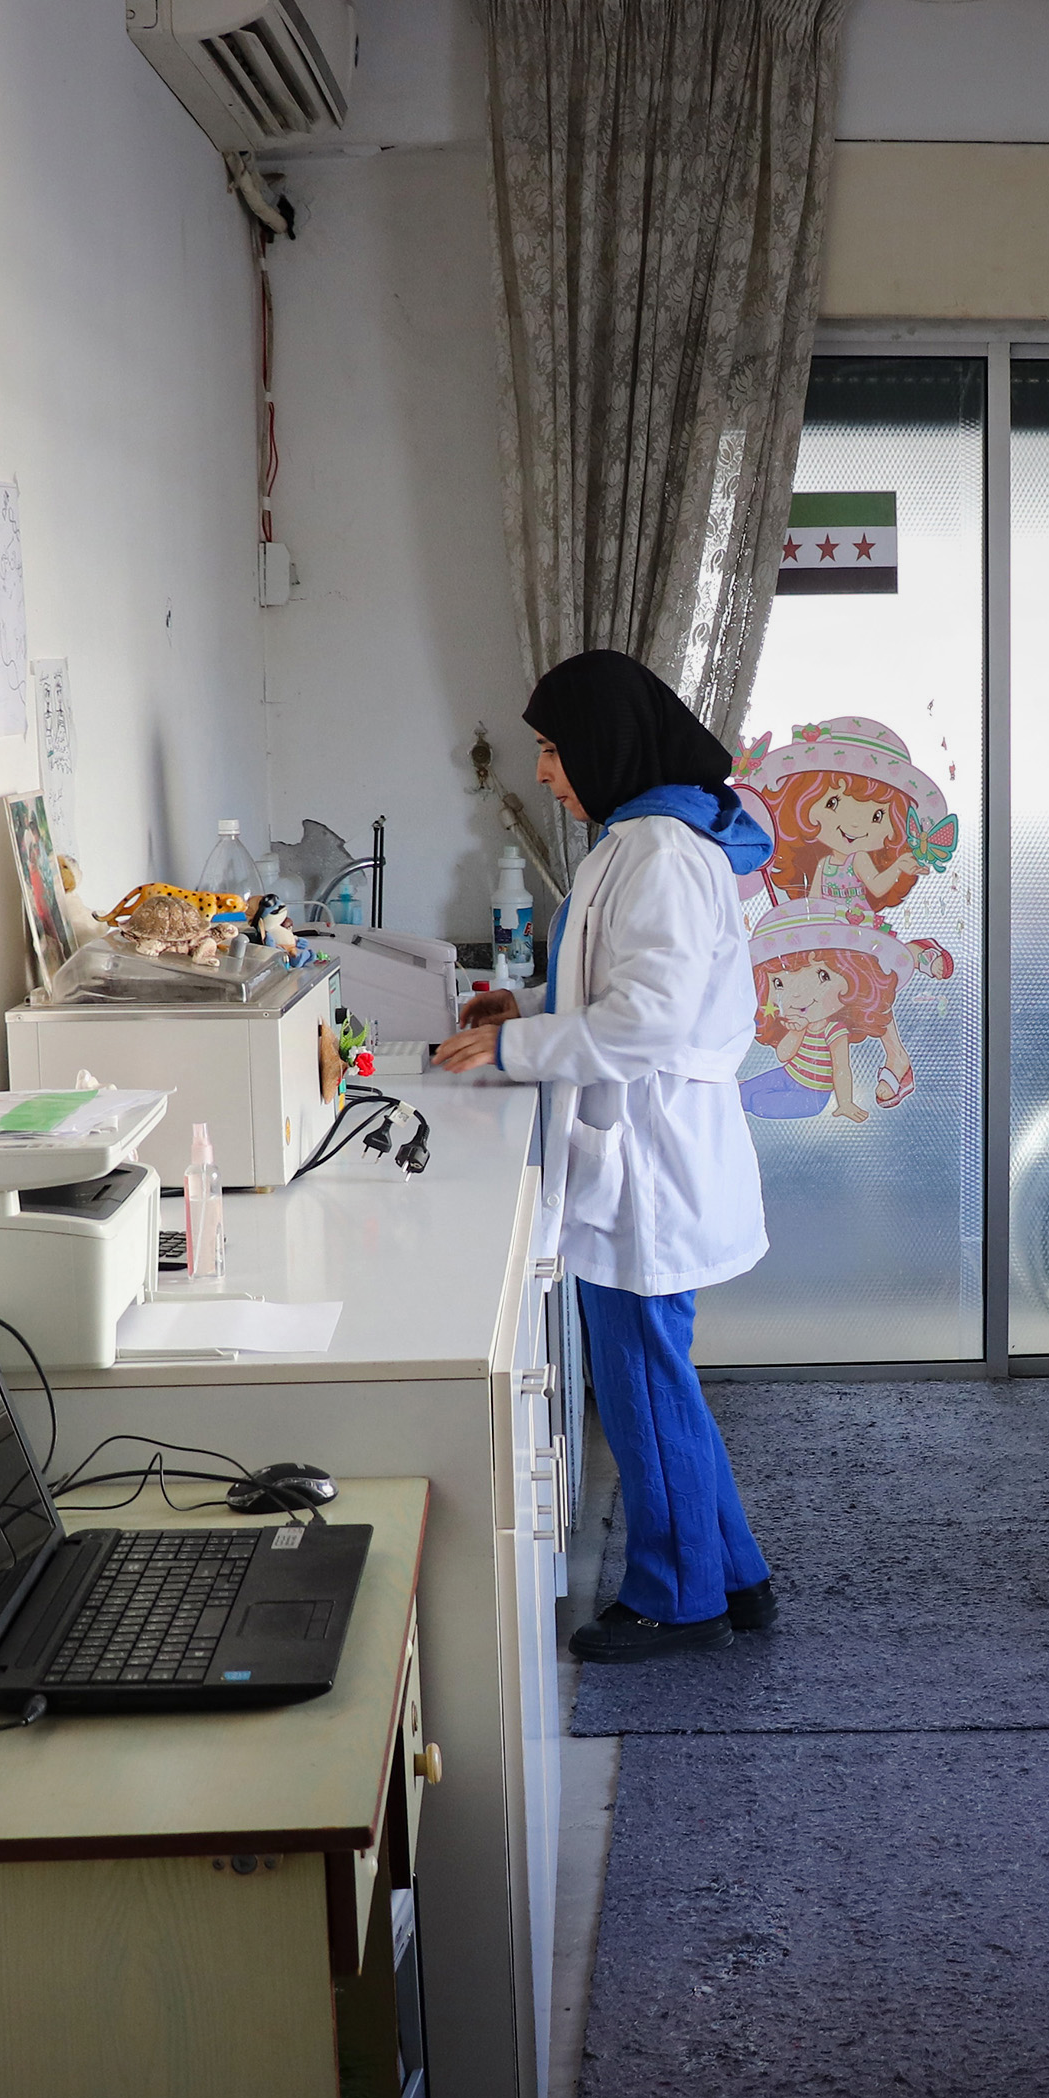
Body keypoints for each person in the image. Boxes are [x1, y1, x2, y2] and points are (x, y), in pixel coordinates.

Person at [434, 650, 779, 1661]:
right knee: (659, 1375)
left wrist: (514, 1048)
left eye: (553, 748)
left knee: (644, 1382)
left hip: (653, 1155)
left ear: (606, 743)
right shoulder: (642, 837)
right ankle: (735, 1574)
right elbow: (618, 989)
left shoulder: (661, 850)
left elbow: (648, 1023)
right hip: (648, 1142)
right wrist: (527, 1009)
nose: (544, 772)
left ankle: (680, 1601)